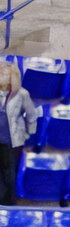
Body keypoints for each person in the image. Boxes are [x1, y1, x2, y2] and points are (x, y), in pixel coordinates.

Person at [0, 61, 35, 205]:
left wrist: (28, 135)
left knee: (9, 173)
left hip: (12, 140)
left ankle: (8, 201)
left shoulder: (22, 94)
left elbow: (31, 115)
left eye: (6, 74)